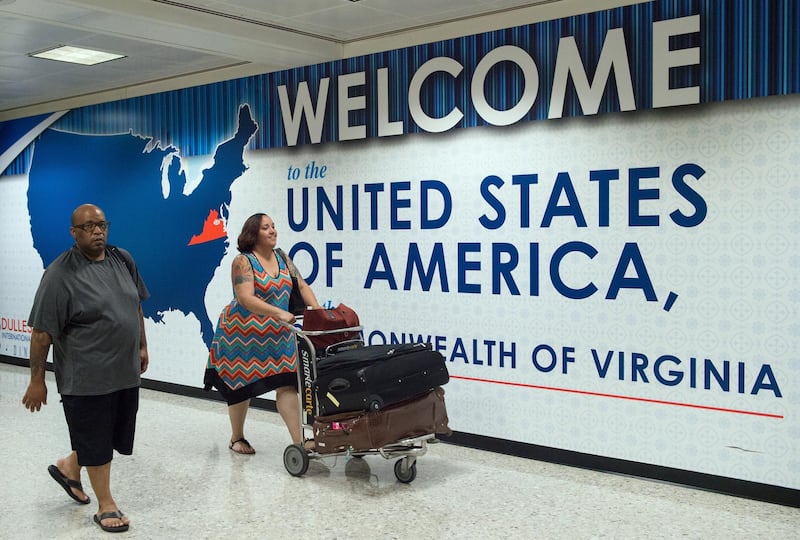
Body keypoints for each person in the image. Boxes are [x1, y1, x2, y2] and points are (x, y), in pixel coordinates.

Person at [21, 203, 149, 534]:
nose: (97, 231)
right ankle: (106, 504)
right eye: (89, 227)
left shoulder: (123, 259)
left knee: (108, 436)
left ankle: (68, 467)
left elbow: (134, 304)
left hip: (123, 371)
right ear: (74, 233)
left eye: (102, 225)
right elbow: (41, 333)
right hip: (86, 377)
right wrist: (37, 380)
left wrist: (142, 345)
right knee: (96, 436)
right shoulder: (60, 274)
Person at [204, 213, 321, 454]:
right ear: (253, 234)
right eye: (266, 228)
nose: (272, 231)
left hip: (278, 336)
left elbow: (301, 285)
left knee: (287, 383)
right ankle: (237, 438)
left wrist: (318, 311)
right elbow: (245, 298)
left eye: (273, 226)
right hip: (241, 334)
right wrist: (278, 312)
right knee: (241, 388)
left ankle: (299, 441)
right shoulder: (243, 261)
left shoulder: (282, 257)